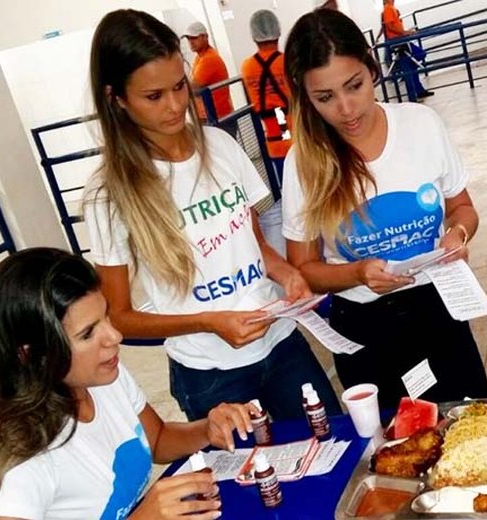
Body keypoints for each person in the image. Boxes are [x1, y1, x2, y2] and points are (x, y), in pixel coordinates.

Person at [82, 9, 340, 422]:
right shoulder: (109, 194)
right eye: (154, 96)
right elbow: (119, 316)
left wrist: (288, 275)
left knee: (336, 441)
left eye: (179, 86)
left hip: (280, 343)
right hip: (211, 372)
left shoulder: (220, 145)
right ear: (116, 98)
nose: (175, 106)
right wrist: (208, 321)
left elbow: (255, 244)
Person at [281, 9, 487, 410]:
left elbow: (462, 207)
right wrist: (357, 272)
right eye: (325, 97)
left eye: (354, 85)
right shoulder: (303, 162)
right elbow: (304, 267)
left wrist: (457, 234)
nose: (346, 108)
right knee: (392, 441)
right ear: (305, 97)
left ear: (372, 68)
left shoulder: (421, 124)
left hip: (437, 307)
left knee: (471, 423)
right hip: (364, 327)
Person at [0, 248, 256, 519]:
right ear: (32, 355)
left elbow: (157, 440)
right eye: (88, 334)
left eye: (106, 317)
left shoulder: (104, 376)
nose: (115, 337)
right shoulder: (17, 457)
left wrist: (207, 429)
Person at [241, 10, 291, 179]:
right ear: (278, 31)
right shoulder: (287, 62)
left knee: (287, 187)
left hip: (274, 142)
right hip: (298, 139)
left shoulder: (247, 67)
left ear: (254, 36)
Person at [382, 0, 434, 100]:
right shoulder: (388, 9)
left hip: (399, 39)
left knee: (410, 65)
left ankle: (417, 91)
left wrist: (405, 32)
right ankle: (414, 91)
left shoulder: (391, 9)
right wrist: (404, 32)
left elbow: (389, 26)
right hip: (398, 41)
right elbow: (389, 25)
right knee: (418, 55)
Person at [183, 21, 233, 122]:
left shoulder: (209, 59)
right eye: (188, 38)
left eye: (194, 38)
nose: (190, 42)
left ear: (205, 37)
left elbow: (192, 87)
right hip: (212, 115)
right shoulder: (200, 57)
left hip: (216, 117)